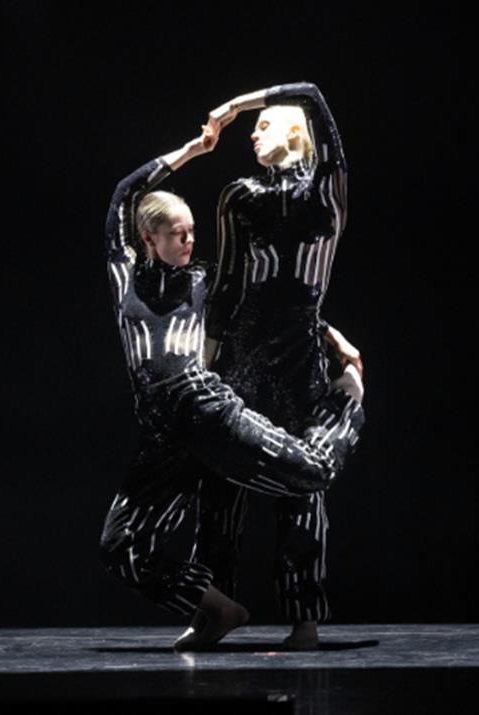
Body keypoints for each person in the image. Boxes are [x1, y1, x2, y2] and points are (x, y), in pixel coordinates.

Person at [98, 125, 365, 651]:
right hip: (163, 431)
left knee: (310, 475)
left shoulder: (206, 280)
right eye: (178, 234)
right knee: (121, 546)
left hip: (208, 409)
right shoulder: (124, 272)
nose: (189, 241)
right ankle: (219, 609)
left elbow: (272, 307)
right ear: (148, 238)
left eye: (193, 232)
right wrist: (191, 151)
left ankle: (349, 397)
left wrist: (332, 337)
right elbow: (124, 193)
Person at [193, 82, 358, 650]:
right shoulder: (239, 196)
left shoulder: (326, 192)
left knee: (301, 490)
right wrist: (206, 361)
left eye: (264, 125)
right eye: (252, 127)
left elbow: (312, 93)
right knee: (221, 487)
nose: (253, 135)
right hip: (243, 355)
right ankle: (215, 610)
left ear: (294, 129)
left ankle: (305, 620)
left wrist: (236, 105)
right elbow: (227, 285)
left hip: (298, 360)